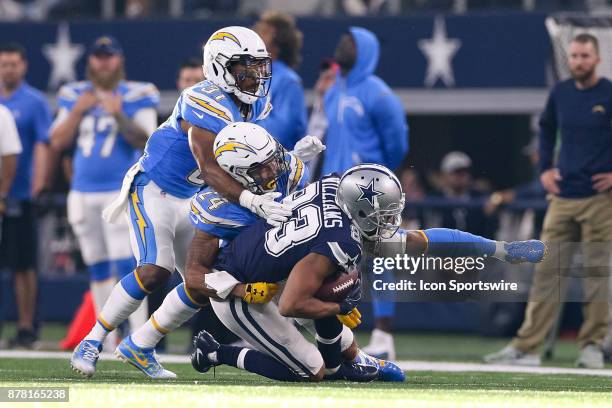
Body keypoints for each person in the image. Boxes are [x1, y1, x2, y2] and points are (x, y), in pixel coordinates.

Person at [70, 26, 321, 379]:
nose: (256, 75)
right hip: (155, 188)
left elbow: (244, 154)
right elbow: (212, 167)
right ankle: (93, 340)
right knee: (154, 270)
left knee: (203, 280)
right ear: (220, 67)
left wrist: (291, 156)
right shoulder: (202, 101)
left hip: (191, 197)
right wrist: (252, 200)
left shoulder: (253, 102)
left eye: (258, 66)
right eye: (245, 67)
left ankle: (141, 345)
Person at [189, 163, 546, 382]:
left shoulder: (335, 186)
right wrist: (338, 310)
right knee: (312, 370)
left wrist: (500, 250)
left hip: (280, 270)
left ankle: (353, 359)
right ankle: (215, 352)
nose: (391, 222)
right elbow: (293, 304)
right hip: (243, 292)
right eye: (384, 215)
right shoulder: (340, 239)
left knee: (336, 286)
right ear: (360, 213)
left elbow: (430, 240)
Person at [484, 33, 612, 369]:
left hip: (600, 198)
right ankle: (527, 347)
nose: (578, 61)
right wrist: (544, 170)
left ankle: (593, 346)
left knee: (596, 273)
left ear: (597, 59)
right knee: (547, 272)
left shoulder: (609, 93)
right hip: (563, 196)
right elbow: (545, 130)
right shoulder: (561, 93)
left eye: (585, 55)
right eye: (574, 56)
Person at [50, 36, 158, 342]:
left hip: (119, 190)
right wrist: (77, 112)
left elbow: (147, 140)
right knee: (96, 264)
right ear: (91, 61)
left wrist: (118, 114)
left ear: (119, 60)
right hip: (82, 191)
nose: (103, 63)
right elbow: (57, 141)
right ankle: (105, 336)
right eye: (98, 57)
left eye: (108, 57)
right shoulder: (74, 95)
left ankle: (138, 334)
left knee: (127, 261)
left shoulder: (138, 93)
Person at [316, 28, 408, 359]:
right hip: (336, 185)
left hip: (370, 191)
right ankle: (335, 332)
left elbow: (398, 143)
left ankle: (384, 334)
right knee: (331, 258)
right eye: (342, 39)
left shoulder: (378, 94)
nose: (342, 44)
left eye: (350, 41)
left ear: (365, 50)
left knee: (381, 256)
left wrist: (378, 174)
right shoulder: (334, 89)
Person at [0, 43, 52, 348]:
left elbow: (43, 144)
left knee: (23, 265)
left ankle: (25, 326)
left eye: (13, 64)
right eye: (3, 64)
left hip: (20, 194)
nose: (8, 69)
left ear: (24, 67)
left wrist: (39, 184)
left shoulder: (34, 102)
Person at [254, 11, 307, 150]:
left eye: (264, 32)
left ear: (278, 43)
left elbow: (281, 132)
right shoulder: (251, 76)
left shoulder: (288, 81)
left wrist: (243, 126)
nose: (256, 35)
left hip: (280, 166)